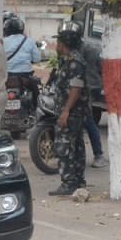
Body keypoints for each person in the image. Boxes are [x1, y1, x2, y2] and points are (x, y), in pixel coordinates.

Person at [49, 28, 89, 196]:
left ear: (64, 44)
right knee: (76, 146)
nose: (56, 45)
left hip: (72, 112)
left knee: (64, 146)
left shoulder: (74, 63)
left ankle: (69, 182)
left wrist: (66, 111)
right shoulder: (69, 60)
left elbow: (76, 88)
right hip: (75, 111)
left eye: (58, 42)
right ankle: (78, 180)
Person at [80, 37, 109, 168]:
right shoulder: (94, 48)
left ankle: (99, 155)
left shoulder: (82, 50)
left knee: (88, 120)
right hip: (90, 85)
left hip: (88, 87)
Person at [3, 16, 42, 98]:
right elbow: (37, 59)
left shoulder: (3, 41)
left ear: (6, 29)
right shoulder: (29, 41)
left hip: (7, 75)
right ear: (21, 29)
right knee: (36, 93)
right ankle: (34, 108)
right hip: (26, 76)